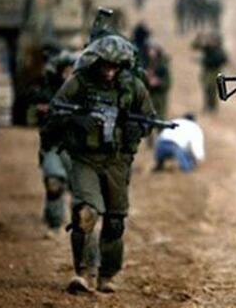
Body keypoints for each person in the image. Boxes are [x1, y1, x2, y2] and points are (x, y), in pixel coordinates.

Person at [41, 32, 154, 294]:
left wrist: (136, 129)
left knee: (114, 222)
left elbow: (149, 118)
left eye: (115, 67)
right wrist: (76, 121)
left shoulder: (133, 87)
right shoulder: (80, 82)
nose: (109, 72)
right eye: (105, 66)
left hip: (117, 161)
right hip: (85, 158)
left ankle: (107, 275)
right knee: (86, 214)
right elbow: (56, 110)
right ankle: (83, 273)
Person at [32, 50, 79, 236]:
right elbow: (35, 104)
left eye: (72, 70)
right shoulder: (49, 90)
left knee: (81, 192)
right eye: (66, 70)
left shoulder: (87, 91)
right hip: (54, 146)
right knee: (53, 182)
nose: (69, 74)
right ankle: (54, 223)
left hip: (79, 150)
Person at [192, 31, 228, 113]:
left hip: (214, 72)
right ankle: (207, 106)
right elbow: (195, 47)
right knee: (206, 89)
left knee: (212, 90)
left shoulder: (219, 51)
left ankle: (212, 107)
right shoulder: (208, 49)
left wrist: (206, 61)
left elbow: (223, 60)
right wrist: (198, 38)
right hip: (207, 72)